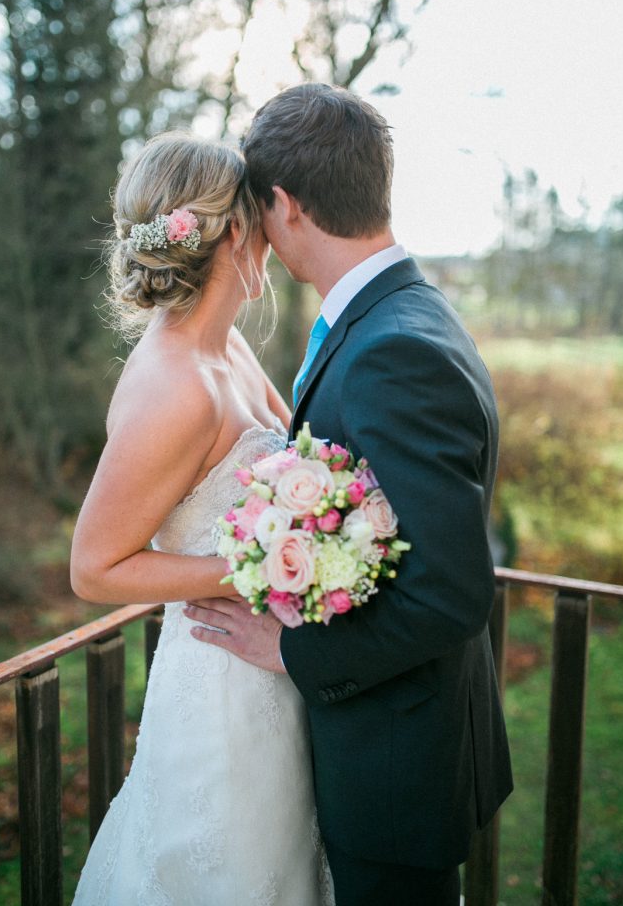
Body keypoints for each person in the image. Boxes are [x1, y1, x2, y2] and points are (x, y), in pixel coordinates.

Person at [182, 83, 513, 906]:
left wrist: (293, 653)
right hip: (400, 741)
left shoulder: (393, 350)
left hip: (395, 762)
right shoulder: (398, 313)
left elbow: (451, 593)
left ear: (287, 205)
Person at [70, 131, 334, 905]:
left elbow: (297, 465)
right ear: (233, 231)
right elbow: (93, 568)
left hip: (275, 670)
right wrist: (254, 571)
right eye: (262, 217)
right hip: (219, 689)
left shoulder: (230, 352)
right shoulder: (175, 387)